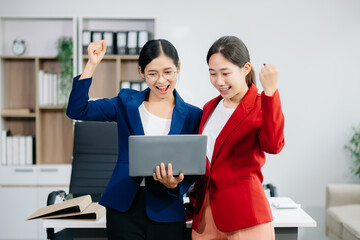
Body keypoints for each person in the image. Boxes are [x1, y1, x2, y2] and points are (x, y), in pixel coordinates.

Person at [66, 39, 202, 240]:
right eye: (152, 74)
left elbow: (194, 165)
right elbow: (78, 109)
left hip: (167, 207)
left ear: (178, 68)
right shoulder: (125, 103)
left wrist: (176, 186)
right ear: (141, 72)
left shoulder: (193, 115)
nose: (161, 81)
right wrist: (91, 64)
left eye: (168, 72)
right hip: (124, 207)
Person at [188, 36, 285, 239]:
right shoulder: (209, 107)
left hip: (245, 216)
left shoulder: (261, 104)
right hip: (205, 217)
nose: (219, 81)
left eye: (225, 73)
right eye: (212, 73)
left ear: (245, 68)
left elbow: (274, 145)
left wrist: (271, 93)